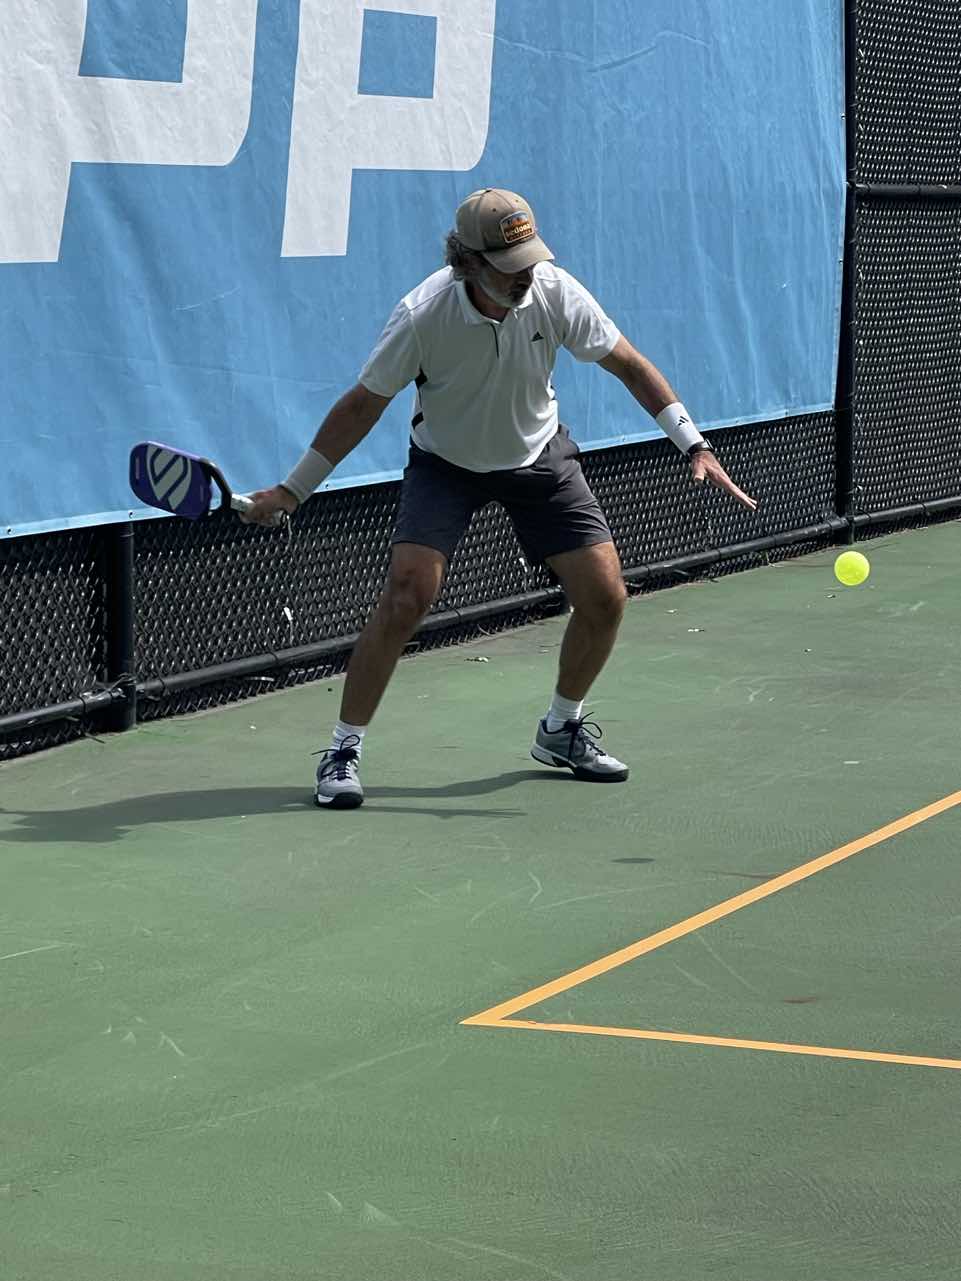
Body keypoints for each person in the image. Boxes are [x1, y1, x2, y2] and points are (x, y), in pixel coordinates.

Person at [245, 189, 756, 809]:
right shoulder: (422, 315)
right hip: (446, 464)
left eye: (529, 261)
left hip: (539, 456)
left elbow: (627, 363)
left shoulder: (554, 290)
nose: (524, 277)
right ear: (467, 262)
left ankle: (561, 729)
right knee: (408, 594)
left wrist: (693, 444)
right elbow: (362, 405)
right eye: (507, 266)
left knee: (605, 597)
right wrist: (293, 490)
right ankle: (343, 750)